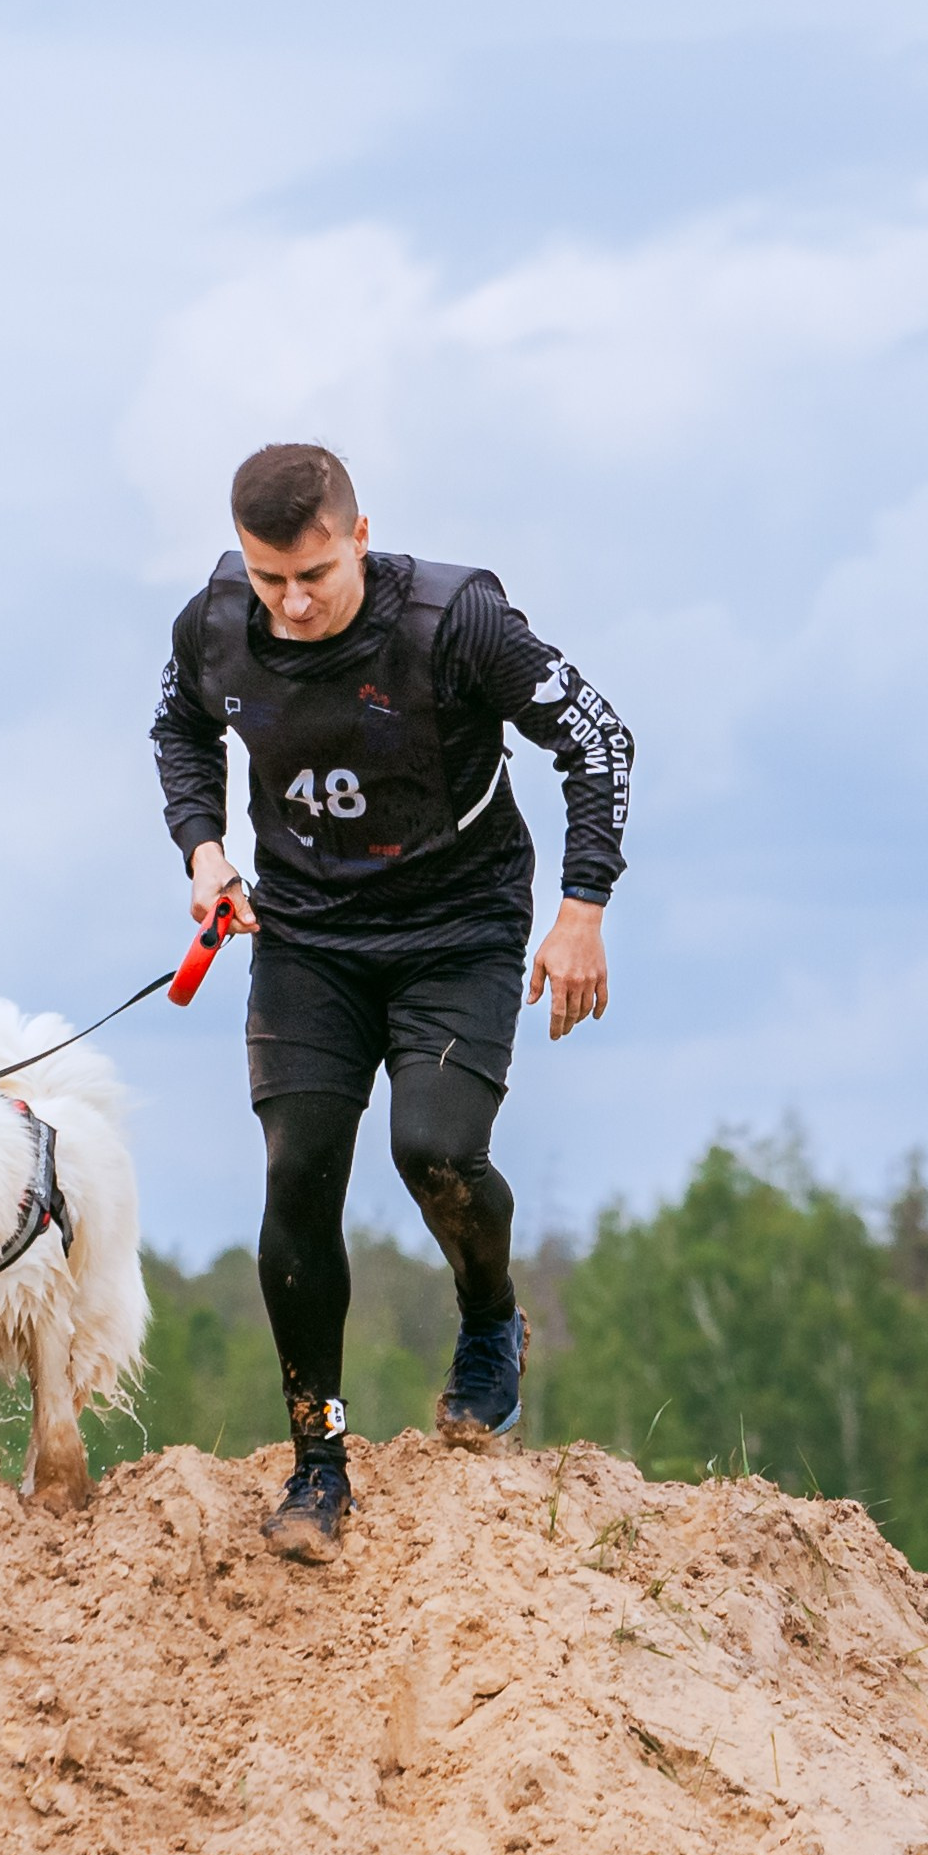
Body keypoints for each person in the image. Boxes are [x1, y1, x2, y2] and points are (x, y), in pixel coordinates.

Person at [151, 440, 632, 1564]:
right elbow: (179, 726)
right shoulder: (215, 622)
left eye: (313, 573)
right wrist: (204, 851)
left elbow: (596, 739)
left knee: (435, 1151)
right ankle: (317, 1460)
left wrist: (582, 906)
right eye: (270, 579)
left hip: (456, 924)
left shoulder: (453, 619)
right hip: (306, 931)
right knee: (297, 1170)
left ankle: (485, 1321)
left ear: (358, 537)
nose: (293, 602)